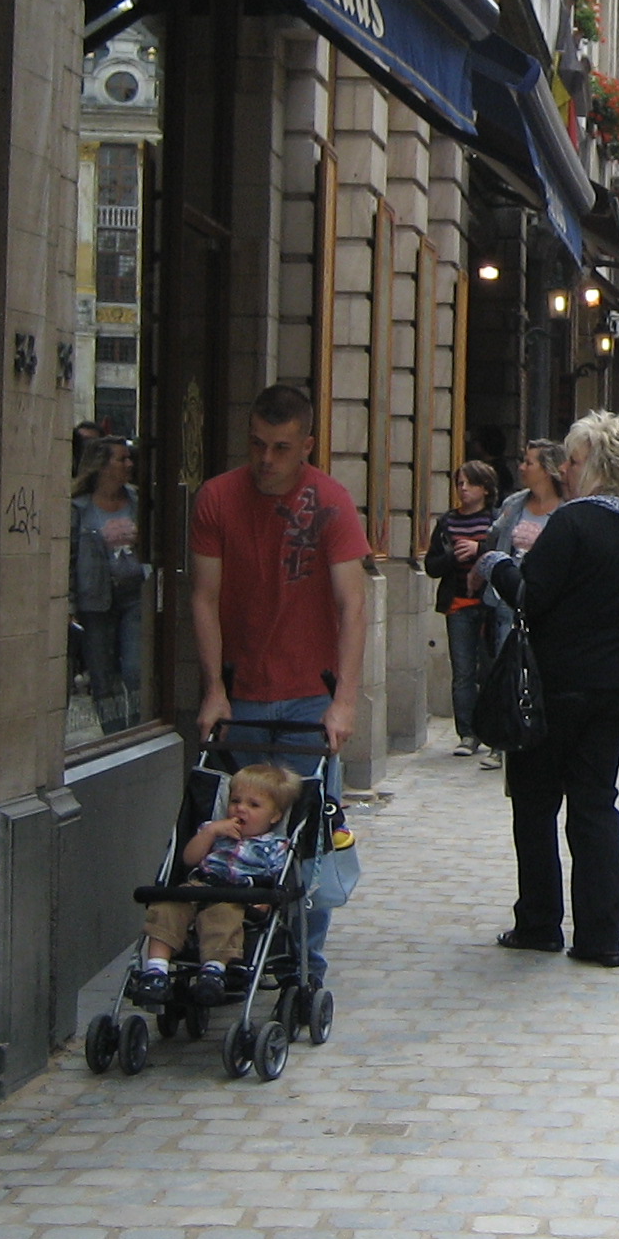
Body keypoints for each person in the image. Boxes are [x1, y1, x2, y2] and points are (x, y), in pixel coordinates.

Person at [189, 385, 371, 988]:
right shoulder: (217, 498)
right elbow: (204, 597)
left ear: (307, 445)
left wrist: (344, 702)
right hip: (243, 695)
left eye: (282, 448)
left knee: (308, 837)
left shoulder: (331, 503)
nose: (267, 459)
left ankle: (303, 963)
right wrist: (214, 690)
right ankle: (234, 950)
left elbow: (352, 606)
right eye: (258, 445)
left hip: (309, 696)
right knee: (236, 830)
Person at [484, 411, 619, 967]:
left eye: (575, 459)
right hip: (614, 690)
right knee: (595, 805)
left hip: (557, 686)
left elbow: (531, 596)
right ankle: (601, 935)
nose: (565, 468)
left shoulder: (572, 524)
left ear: (598, 468)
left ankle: (539, 921)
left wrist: (498, 567)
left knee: (535, 803)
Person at [134, 759, 303, 1004]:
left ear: (275, 816)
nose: (240, 809)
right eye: (235, 801)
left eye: (253, 805)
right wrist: (211, 832)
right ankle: (156, 971)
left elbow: (277, 880)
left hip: (238, 896)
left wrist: (266, 902)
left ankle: (213, 970)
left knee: (222, 917)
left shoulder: (275, 846)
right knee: (167, 906)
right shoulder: (212, 830)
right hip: (200, 886)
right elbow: (189, 859)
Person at [474, 440, 568, 768]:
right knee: (507, 664)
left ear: (548, 469)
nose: (522, 467)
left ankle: (534, 725)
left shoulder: (567, 509)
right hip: (506, 599)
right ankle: (505, 736)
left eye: (529, 462)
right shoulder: (514, 503)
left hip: (545, 601)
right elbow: (493, 538)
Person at [69, 437, 148, 734]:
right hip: (95, 599)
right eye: (121, 459)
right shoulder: (80, 508)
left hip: (134, 595)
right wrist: (70, 603)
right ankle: (114, 734)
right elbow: (69, 558)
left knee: (135, 669)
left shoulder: (138, 501)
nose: (129, 464)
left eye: (129, 458)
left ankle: (137, 731)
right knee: (102, 676)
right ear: (102, 466)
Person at [422, 461, 501, 756]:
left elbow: (507, 553)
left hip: (491, 604)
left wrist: (479, 549)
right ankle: (467, 733)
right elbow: (432, 565)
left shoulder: (496, 520)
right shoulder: (447, 522)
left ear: (485, 488)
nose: (463, 489)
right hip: (458, 604)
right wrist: (453, 556)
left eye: (469, 483)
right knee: (463, 671)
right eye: (459, 483)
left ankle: (493, 731)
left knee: (492, 670)